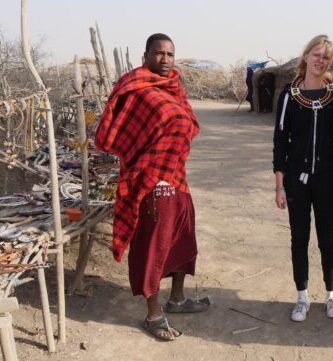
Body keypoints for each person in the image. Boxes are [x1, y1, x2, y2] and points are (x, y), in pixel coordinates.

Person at [95, 33, 207, 341]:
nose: (166, 59)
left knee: (183, 239)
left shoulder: (173, 88)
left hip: (177, 177)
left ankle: (178, 299)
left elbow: (186, 124)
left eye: (170, 54)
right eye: (159, 54)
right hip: (151, 182)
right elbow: (120, 133)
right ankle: (153, 313)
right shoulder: (136, 90)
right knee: (153, 247)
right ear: (146, 55)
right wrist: (145, 166)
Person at [273, 34, 333, 322]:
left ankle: (332, 294)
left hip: (327, 177)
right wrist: (279, 186)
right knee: (299, 237)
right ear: (306, 56)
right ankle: (302, 296)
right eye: (316, 54)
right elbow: (280, 142)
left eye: (326, 56)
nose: (320, 60)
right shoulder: (289, 96)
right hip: (296, 179)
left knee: (328, 238)